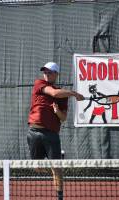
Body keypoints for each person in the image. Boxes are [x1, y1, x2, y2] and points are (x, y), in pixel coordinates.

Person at [27, 62, 84, 200]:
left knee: (57, 168)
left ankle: (60, 197)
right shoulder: (39, 83)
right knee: (37, 167)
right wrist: (74, 93)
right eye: (45, 71)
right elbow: (53, 93)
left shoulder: (63, 96)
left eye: (50, 72)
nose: (46, 74)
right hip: (34, 132)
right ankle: (51, 161)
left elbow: (63, 118)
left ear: (56, 74)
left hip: (51, 135)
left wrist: (57, 111)